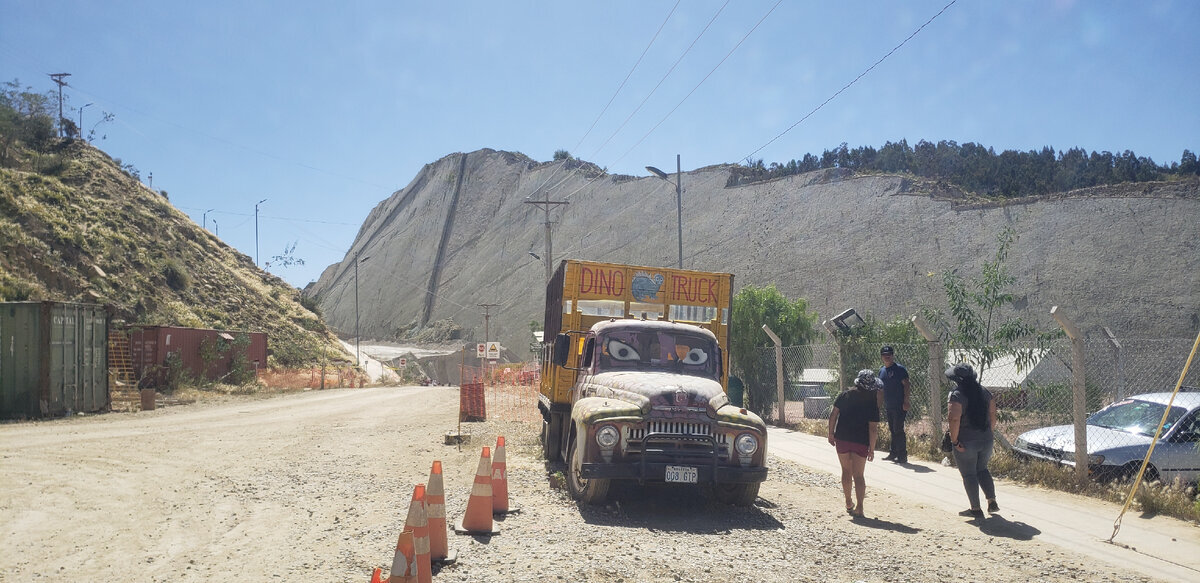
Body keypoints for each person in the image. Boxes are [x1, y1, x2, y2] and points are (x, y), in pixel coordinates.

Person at [945, 363, 999, 518]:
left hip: (966, 441)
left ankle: (975, 509)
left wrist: (954, 441)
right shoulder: (984, 392)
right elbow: (993, 415)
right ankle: (992, 500)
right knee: (982, 469)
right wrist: (988, 433)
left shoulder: (957, 395)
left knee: (969, 474)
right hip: (986, 438)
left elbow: (954, 419)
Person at [827, 369, 881, 517]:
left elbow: (833, 415)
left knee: (845, 471)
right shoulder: (872, 402)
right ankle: (860, 508)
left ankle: (848, 502)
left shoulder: (845, 395)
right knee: (859, 475)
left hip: (842, 438)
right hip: (861, 442)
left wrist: (830, 433)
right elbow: (873, 429)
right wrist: (872, 449)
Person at [878, 346, 911, 463]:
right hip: (889, 405)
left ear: (892, 355)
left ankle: (902, 456)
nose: (887, 357)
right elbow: (880, 389)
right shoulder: (882, 371)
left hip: (899, 405)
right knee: (892, 429)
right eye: (884, 355)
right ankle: (893, 453)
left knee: (898, 429)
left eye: (889, 354)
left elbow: (906, 385)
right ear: (881, 356)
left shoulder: (899, 369)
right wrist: (879, 404)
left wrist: (906, 401)